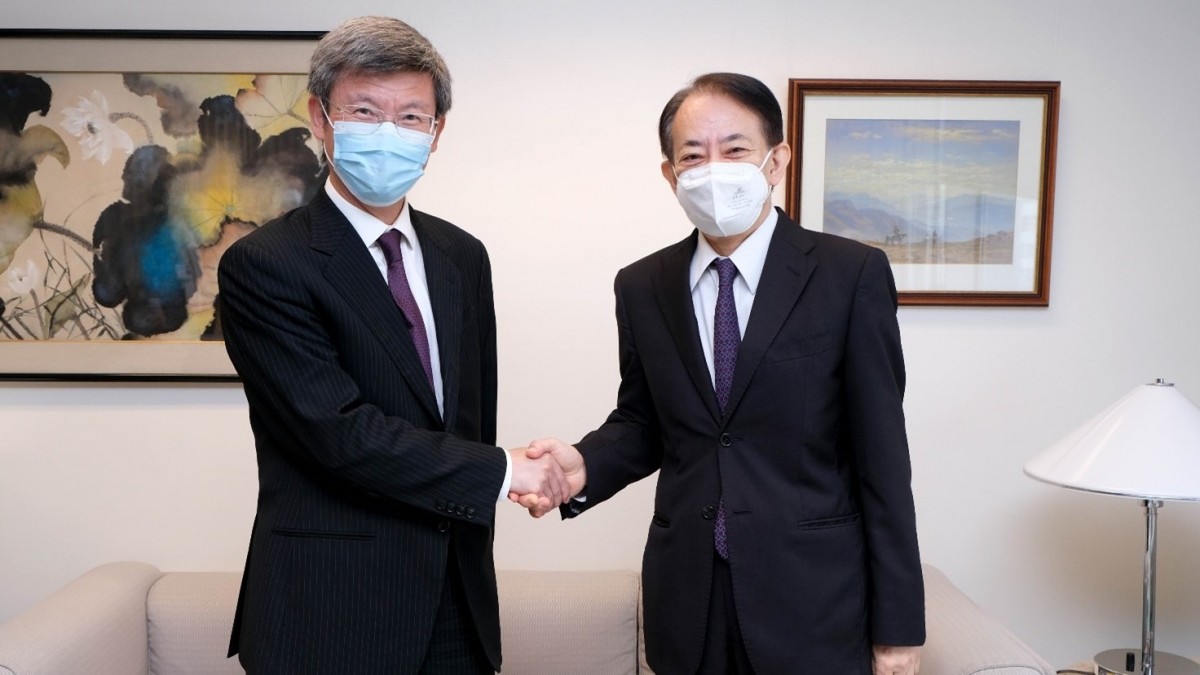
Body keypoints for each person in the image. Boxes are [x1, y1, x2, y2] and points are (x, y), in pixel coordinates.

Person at [517, 73, 925, 674]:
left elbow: (883, 458)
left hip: (815, 603)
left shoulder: (849, 275)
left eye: (735, 150)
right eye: (692, 156)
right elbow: (644, 421)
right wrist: (585, 465)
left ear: (776, 160)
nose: (713, 169)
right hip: (690, 603)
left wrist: (898, 630)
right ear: (670, 174)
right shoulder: (642, 285)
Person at [218, 16, 569, 674]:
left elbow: (467, 420)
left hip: (458, 603)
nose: (389, 132)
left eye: (411, 116)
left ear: (436, 134)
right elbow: (336, 433)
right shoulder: (266, 264)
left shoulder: (461, 256)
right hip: (330, 612)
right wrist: (503, 471)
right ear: (321, 119)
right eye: (364, 111)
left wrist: (506, 472)